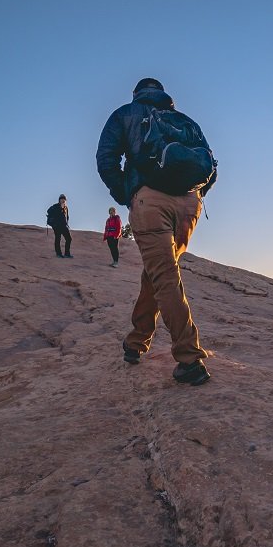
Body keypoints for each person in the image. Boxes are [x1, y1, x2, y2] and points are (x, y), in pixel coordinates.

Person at [96, 77, 217, 386]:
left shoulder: (126, 113)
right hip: (190, 205)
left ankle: (189, 360)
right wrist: (195, 198)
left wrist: (127, 193)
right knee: (158, 273)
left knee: (164, 275)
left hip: (149, 200)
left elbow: (106, 159)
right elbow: (209, 164)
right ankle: (136, 342)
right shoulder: (183, 120)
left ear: (137, 94)